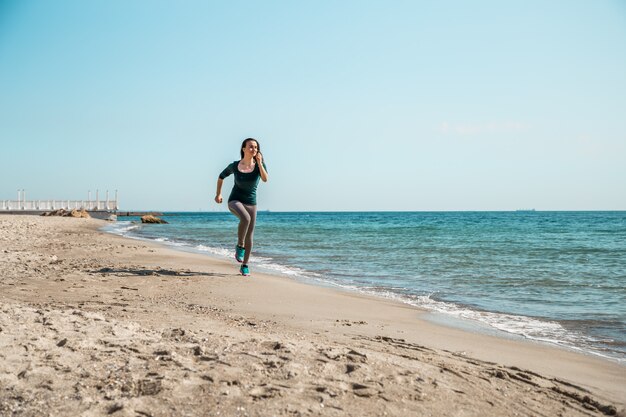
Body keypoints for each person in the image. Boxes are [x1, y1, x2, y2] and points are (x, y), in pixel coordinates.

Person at [215, 138, 269, 276]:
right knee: (245, 219)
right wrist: (218, 194)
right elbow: (221, 176)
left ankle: (245, 265)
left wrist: (260, 163)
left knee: (250, 235)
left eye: (256, 147)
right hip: (235, 200)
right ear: (243, 149)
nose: (254, 149)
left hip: (251, 202)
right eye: (251, 147)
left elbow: (265, 179)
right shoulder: (235, 165)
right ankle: (240, 245)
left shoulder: (259, 165)